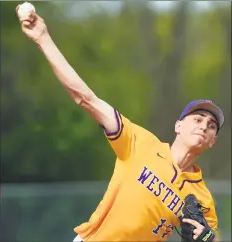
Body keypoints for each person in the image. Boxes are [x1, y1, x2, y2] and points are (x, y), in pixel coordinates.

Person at [16, 5, 224, 242]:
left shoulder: (202, 198)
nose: (204, 125)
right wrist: (43, 38)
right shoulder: (139, 143)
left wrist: (209, 238)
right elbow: (87, 99)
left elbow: (212, 237)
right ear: (178, 126)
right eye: (197, 119)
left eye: (211, 125)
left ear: (212, 141)